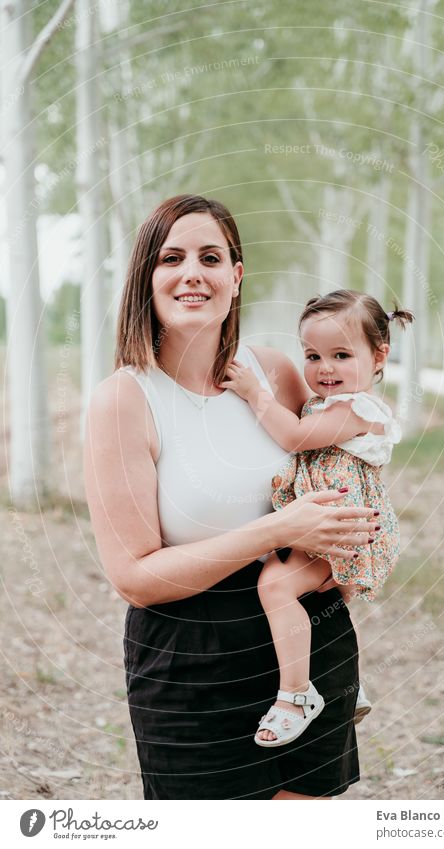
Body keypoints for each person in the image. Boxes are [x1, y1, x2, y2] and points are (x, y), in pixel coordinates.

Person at [83, 195, 379, 800]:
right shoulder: (124, 400)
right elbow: (134, 577)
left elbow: (340, 457)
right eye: (172, 257)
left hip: (309, 638)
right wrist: (277, 531)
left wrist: (356, 545)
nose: (192, 272)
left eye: (210, 257)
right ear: (147, 277)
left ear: (235, 275)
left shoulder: (273, 372)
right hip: (190, 658)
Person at [221, 290, 413, 746]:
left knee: (275, 585)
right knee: (317, 606)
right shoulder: (332, 401)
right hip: (329, 526)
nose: (324, 368)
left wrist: (255, 393)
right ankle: (344, 683)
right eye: (312, 355)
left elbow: (296, 438)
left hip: (345, 529)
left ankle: (296, 695)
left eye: (341, 355)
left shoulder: (356, 409)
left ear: (379, 355)